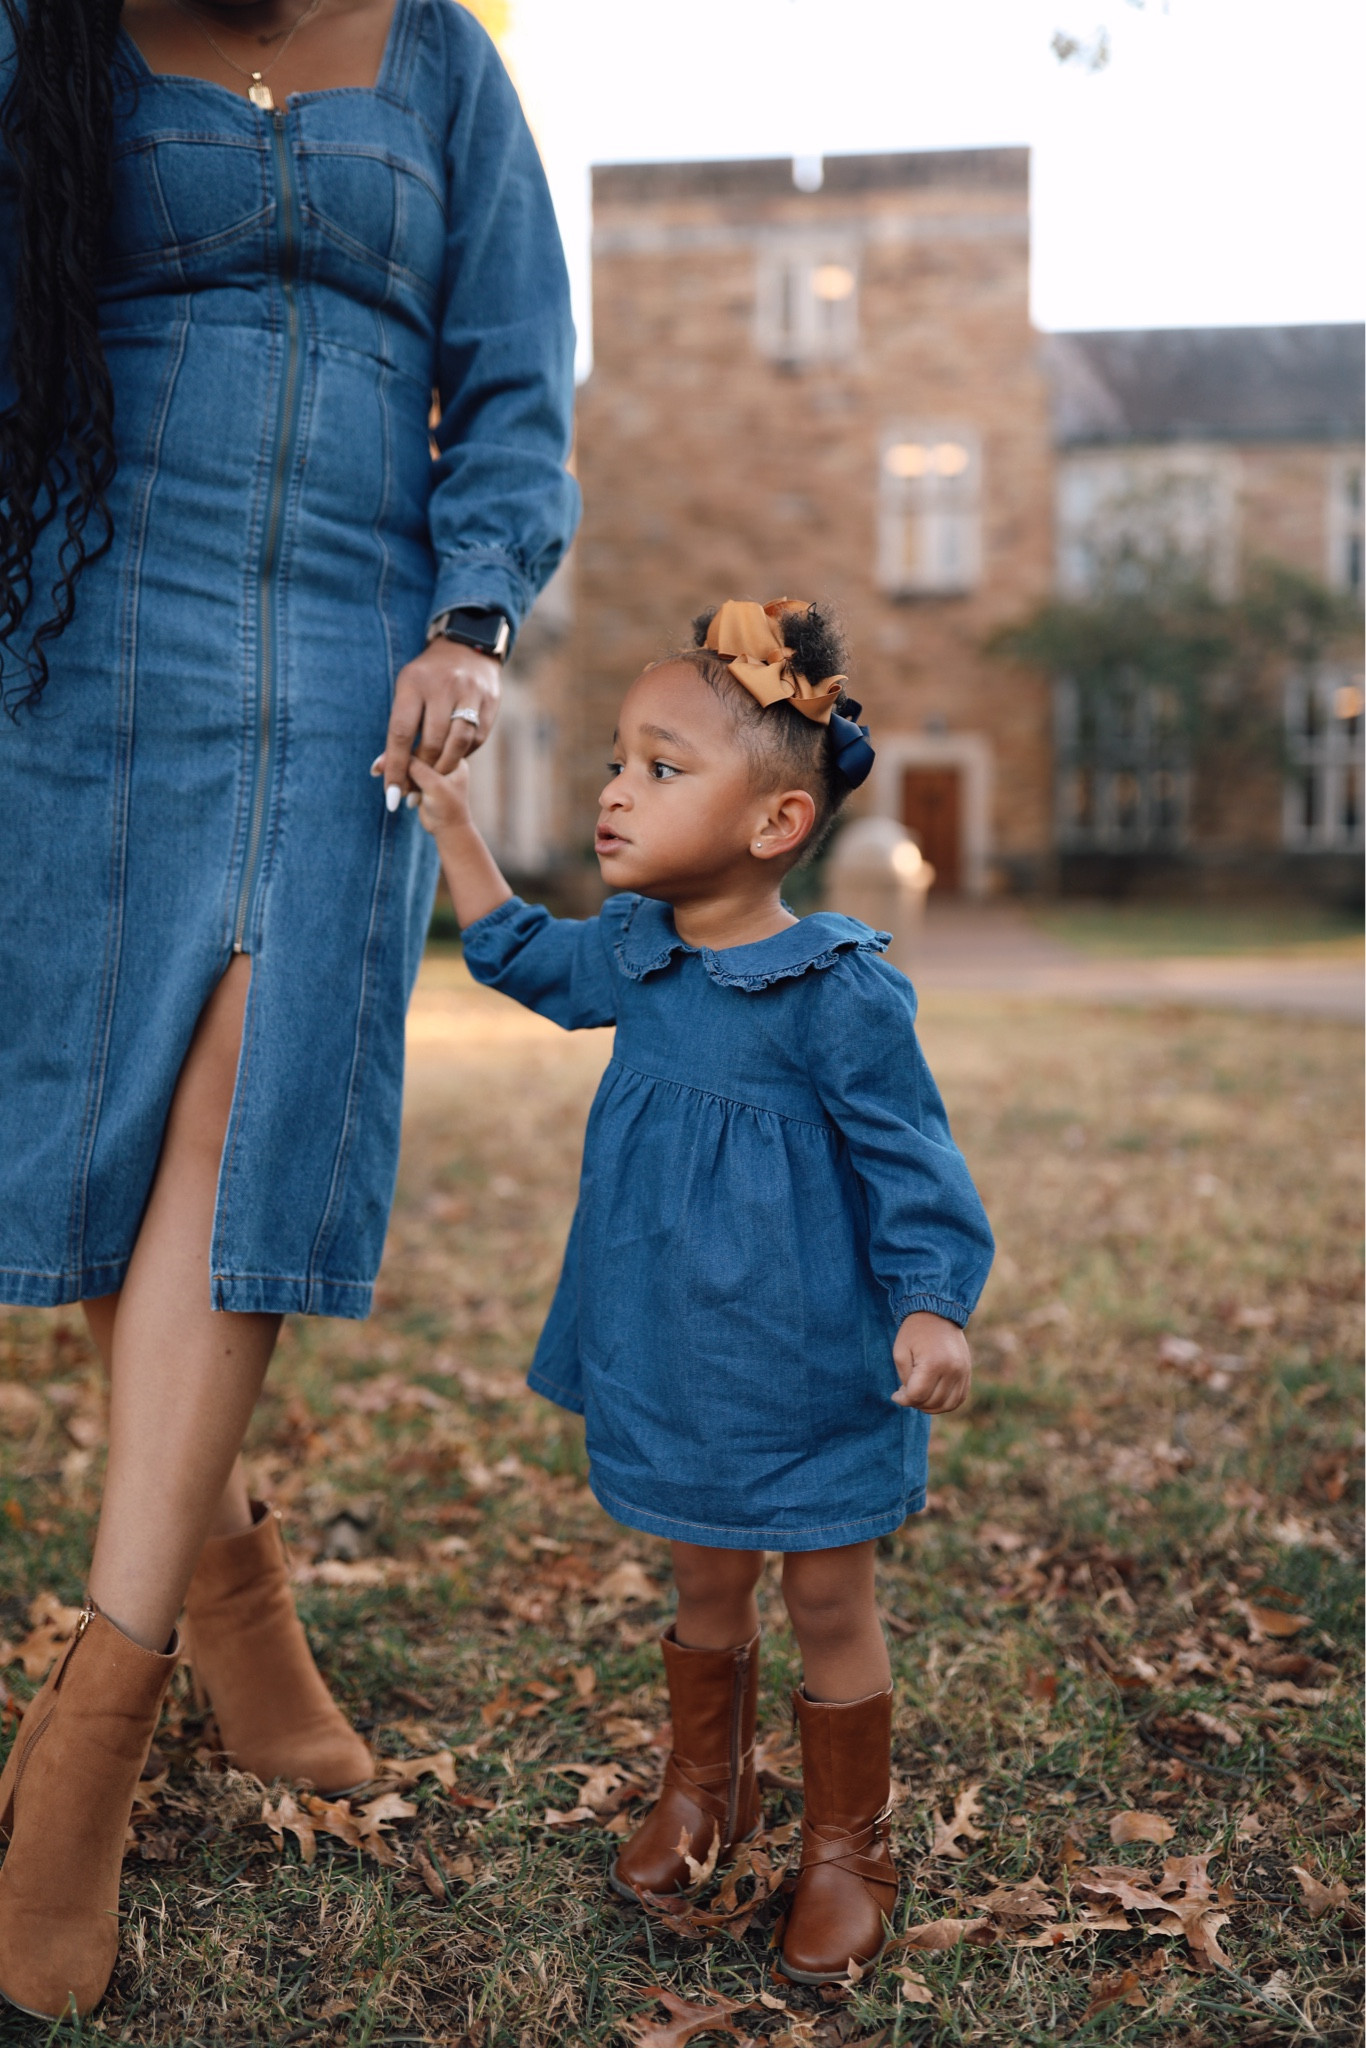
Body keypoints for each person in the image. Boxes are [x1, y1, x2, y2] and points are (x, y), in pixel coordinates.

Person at [0, 0, 577, 2020]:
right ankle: (233, 1596)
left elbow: (515, 367)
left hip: (358, 646)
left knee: (247, 1109)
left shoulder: (436, 63)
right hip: (88, 621)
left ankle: (93, 1711)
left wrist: (470, 614)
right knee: (130, 1110)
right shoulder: (43, 39)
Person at [408, 598, 994, 1985]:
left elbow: (914, 1163)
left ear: (775, 823)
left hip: (808, 1365)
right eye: (619, 759)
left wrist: (931, 1301)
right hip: (670, 1347)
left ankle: (848, 1841)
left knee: (828, 1599)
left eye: (662, 768)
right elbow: (515, 957)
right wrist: (452, 828)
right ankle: (702, 1785)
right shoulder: (635, 950)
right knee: (703, 1574)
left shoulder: (832, 989)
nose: (616, 788)